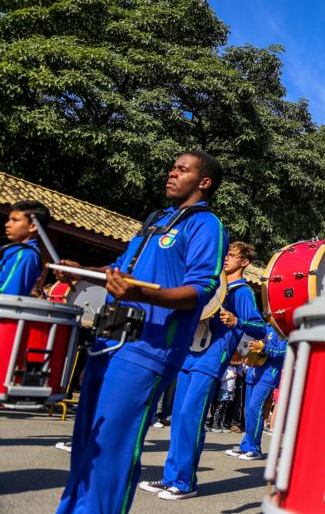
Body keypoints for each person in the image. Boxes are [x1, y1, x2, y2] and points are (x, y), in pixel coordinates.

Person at [56, 151, 228, 514]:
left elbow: (200, 289)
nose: (172, 173)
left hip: (147, 349)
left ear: (204, 182)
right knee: (88, 441)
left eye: (182, 169)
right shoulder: (157, 220)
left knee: (111, 449)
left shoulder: (206, 225)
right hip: (111, 337)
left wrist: (141, 292)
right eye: (173, 167)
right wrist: (81, 270)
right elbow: (120, 269)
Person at [139, 241, 265, 499]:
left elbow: (259, 328)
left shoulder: (242, 293)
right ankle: (171, 477)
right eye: (226, 255)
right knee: (178, 419)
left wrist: (237, 321)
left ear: (245, 262)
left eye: (232, 255)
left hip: (210, 361)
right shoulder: (215, 286)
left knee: (191, 419)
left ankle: (185, 483)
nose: (226, 259)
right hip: (190, 356)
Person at [225, 323, 286, 460]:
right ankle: (245, 446)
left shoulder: (281, 329)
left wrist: (264, 348)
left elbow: (282, 352)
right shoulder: (260, 326)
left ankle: (254, 449)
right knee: (248, 411)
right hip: (252, 373)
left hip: (267, 376)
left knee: (254, 409)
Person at [1, 200, 50, 295]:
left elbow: (11, 294)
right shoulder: (14, 250)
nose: (7, 224)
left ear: (33, 226)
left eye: (15, 220)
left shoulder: (26, 255)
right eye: (9, 220)